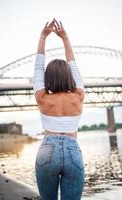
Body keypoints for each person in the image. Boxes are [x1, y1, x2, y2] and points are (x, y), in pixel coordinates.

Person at [33, 18, 85, 200]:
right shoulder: (79, 96)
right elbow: (74, 65)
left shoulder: (42, 98)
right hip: (73, 150)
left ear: (48, 79)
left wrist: (43, 37)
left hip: (47, 150)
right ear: (69, 76)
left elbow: (38, 68)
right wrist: (65, 38)